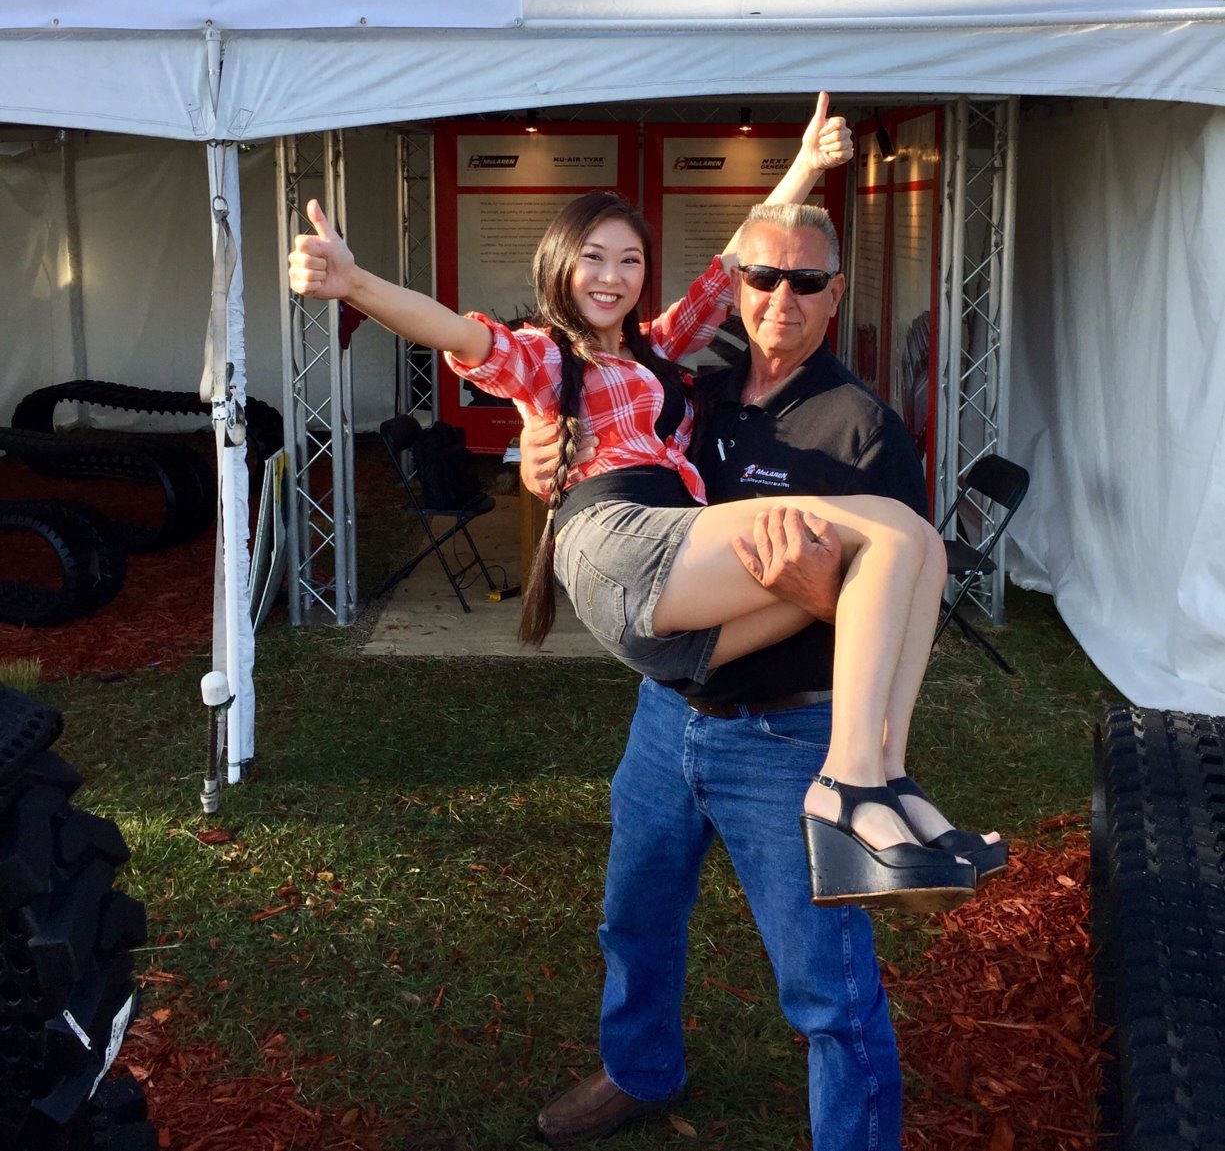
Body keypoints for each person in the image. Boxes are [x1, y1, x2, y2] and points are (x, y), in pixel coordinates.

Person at [286, 100, 990, 917]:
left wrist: (803, 168)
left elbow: (730, 267)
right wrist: (355, 282)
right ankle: (846, 784)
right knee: (891, 531)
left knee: (919, 545)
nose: (610, 276)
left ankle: (882, 781)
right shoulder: (549, 356)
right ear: (559, 264)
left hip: (675, 573)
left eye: (627, 260)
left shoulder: (659, 353)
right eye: (593, 258)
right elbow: (456, 332)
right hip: (620, 535)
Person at [521, 197, 1001, 1149]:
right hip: (669, 716)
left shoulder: (862, 430)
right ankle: (639, 1068)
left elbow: (901, 605)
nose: (781, 296)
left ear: (835, 293)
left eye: (806, 281)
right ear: (736, 284)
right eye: (761, 276)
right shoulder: (690, 391)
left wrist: (809, 579)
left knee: (828, 987)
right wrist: (542, 452)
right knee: (635, 918)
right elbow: (609, 451)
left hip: (788, 736)